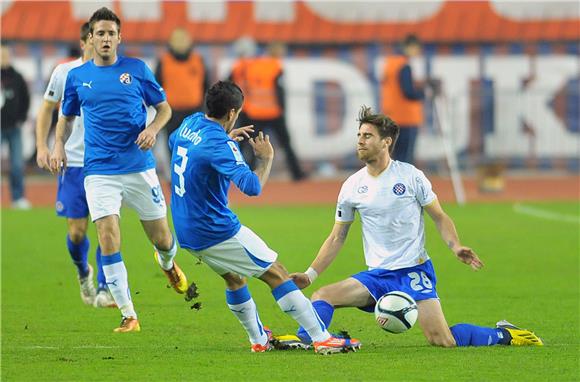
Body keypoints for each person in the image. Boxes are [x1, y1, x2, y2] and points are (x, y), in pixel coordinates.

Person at [275, 106, 543, 349]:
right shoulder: (351, 186)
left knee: (442, 340)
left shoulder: (410, 176)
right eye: (359, 134)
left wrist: (455, 245)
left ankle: (504, 334)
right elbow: (337, 236)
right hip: (378, 276)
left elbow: (439, 216)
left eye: (367, 135)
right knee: (323, 295)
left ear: (386, 142)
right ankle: (308, 338)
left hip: (413, 272)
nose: (360, 140)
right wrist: (310, 275)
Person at [169, 80, 359, 354]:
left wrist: (222, 141)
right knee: (277, 272)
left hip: (186, 229)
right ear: (233, 112)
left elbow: (176, 141)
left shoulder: (190, 123)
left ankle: (259, 340)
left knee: (234, 278)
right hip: (214, 229)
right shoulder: (221, 145)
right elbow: (252, 187)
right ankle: (322, 338)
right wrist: (266, 158)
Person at [50, 7, 188, 332]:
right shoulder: (77, 77)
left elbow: (164, 109)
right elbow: (66, 119)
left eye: (112, 33)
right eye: (101, 33)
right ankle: (129, 314)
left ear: (119, 37)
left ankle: (167, 263)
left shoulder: (137, 70)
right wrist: (58, 145)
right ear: (91, 38)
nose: (106, 38)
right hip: (98, 171)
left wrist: (153, 129)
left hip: (138, 167)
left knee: (163, 238)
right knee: (108, 235)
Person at [36, 22, 115, 308]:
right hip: (73, 163)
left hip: (105, 164)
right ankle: (84, 273)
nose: (98, 43)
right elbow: (46, 108)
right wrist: (43, 146)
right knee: (77, 232)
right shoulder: (65, 72)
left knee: (107, 228)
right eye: (92, 39)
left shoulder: (117, 73)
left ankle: (107, 288)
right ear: (85, 42)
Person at [230, 41, 305, 181]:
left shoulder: (245, 65)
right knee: (286, 144)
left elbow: (234, 85)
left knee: (248, 145)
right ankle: (297, 174)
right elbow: (279, 90)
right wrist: (282, 109)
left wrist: (243, 108)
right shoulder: (275, 66)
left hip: (254, 112)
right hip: (273, 112)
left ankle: (245, 174)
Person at [155, 27, 209, 167]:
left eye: (183, 40)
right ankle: (176, 176)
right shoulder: (163, 62)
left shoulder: (198, 60)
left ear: (189, 42)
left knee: (195, 147)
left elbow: (206, 86)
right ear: (170, 43)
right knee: (173, 147)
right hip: (171, 112)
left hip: (195, 112)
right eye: (177, 40)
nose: (180, 43)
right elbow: (156, 88)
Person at [380, 34, 426, 165]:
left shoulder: (390, 63)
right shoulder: (404, 66)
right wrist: (424, 93)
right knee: (405, 160)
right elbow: (408, 92)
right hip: (407, 118)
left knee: (394, 159)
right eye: (417, 48)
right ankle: (402, 185)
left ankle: (393, 185)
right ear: (410, 47)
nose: (418, 51)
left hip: (391, 117)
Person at [1, 44, 31, 209]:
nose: (3, 58)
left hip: (14, 128)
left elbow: (26, 99)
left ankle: (18, 198)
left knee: (17, 165)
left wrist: (22, 118)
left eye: (5, 55)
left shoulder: (17, 77)